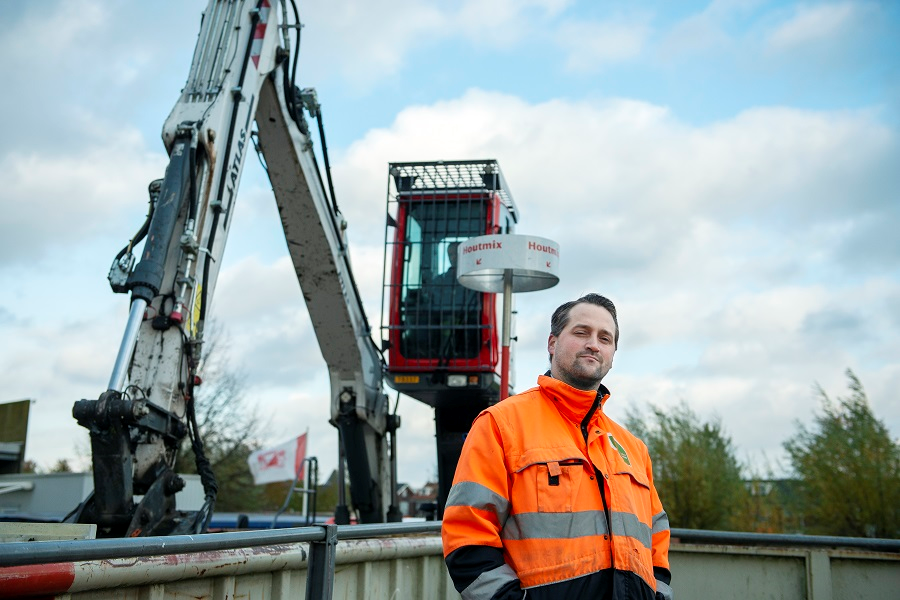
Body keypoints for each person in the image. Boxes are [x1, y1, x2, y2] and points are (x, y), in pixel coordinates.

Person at [441, 293, 673, 600]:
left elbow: (657, 541)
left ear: (613, 353)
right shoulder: (501, 424)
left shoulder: (633, 448)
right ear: (552, 343)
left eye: (605, 338)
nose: (594, 343)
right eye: (581, 333)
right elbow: (466, 534)